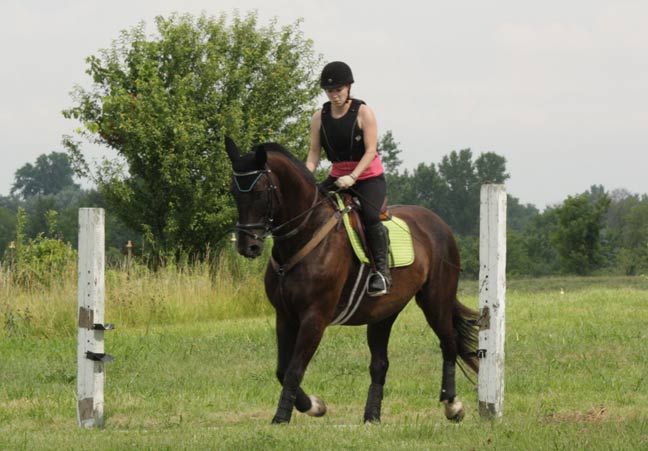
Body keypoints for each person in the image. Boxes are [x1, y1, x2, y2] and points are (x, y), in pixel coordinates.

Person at [306, 61, 391, 297]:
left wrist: (353, 177)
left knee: (372, 217)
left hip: (367, 177)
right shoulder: (319, 117)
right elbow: (314, 153)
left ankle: (381, 273)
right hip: (337, 176)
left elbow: (371, 150)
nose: (334, 96)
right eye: (329, 91)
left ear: (349, 87)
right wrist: (305, 177)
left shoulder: (364, 113)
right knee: (308, 207)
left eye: (339, 90)